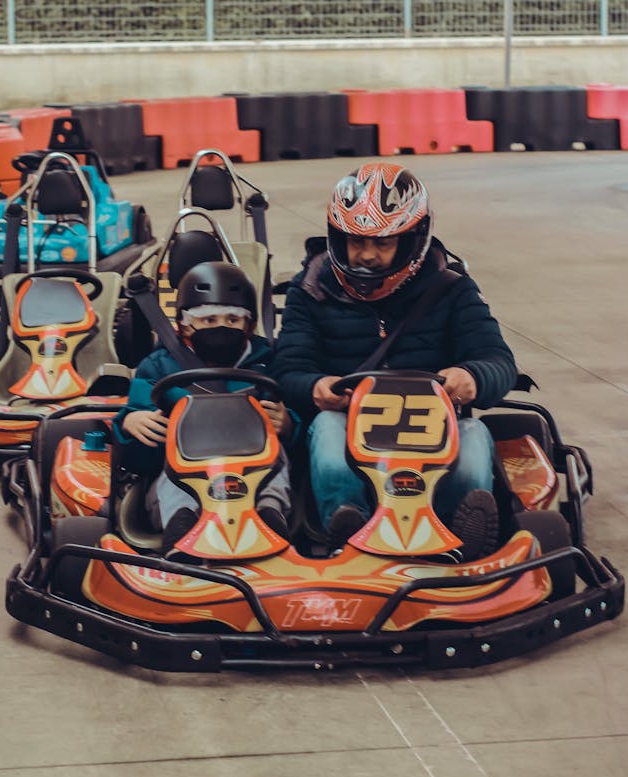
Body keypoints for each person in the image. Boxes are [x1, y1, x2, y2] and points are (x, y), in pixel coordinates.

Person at [272, 161, 517, 556]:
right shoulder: (311, 289)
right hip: (350, 422)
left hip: (435, 426)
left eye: (382, 243)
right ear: (337, 237)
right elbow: (288, 368)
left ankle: (459, 539)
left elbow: (498, 361)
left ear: (411, 239)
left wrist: (471, 376)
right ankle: (346, 532)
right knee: (328, 433)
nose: (366, 255)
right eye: (355, 241)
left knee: (475, 438)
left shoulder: (450, 288)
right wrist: (317, 387)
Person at [113, 260, 298, 556]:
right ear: (185, 324)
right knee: (174, 479)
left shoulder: (267, 363)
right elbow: (138, 454)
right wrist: (131, 422)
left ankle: (269, 518)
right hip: (184, 478)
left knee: (279, 463)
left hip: (253, 476)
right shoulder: (160, 366)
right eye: (209, 320)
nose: (221, 328)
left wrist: (289, 425)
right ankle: (181, 534)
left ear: (248, 324)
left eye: (232, 320)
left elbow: (295, 424)